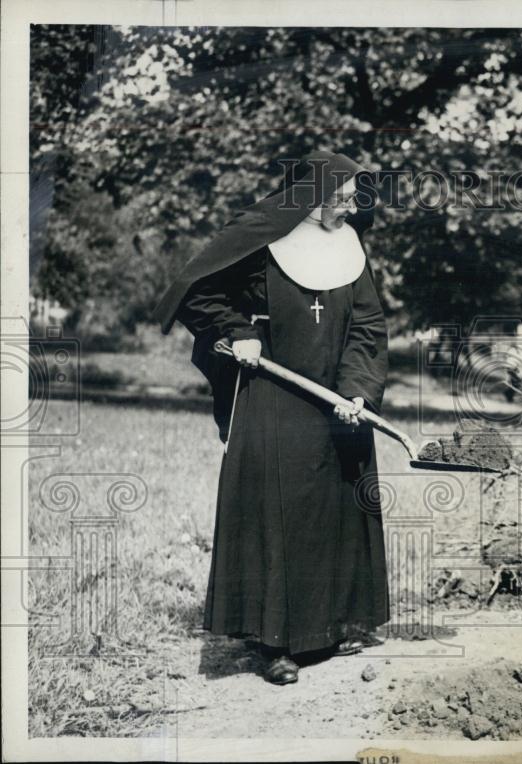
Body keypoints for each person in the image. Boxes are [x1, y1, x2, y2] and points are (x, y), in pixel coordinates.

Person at [152, 151, 389, 684]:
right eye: (348, 192)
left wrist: (357, 391)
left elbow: (368, 326)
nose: (355, 204)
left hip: (335, 399)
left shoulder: (351, 247)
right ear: (317, 193)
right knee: (279, 514)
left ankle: (328, 626)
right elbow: (200, 290)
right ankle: (274, 643)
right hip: (272, 394)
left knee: (335, 508)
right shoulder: (260, 237)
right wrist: (239, 333)